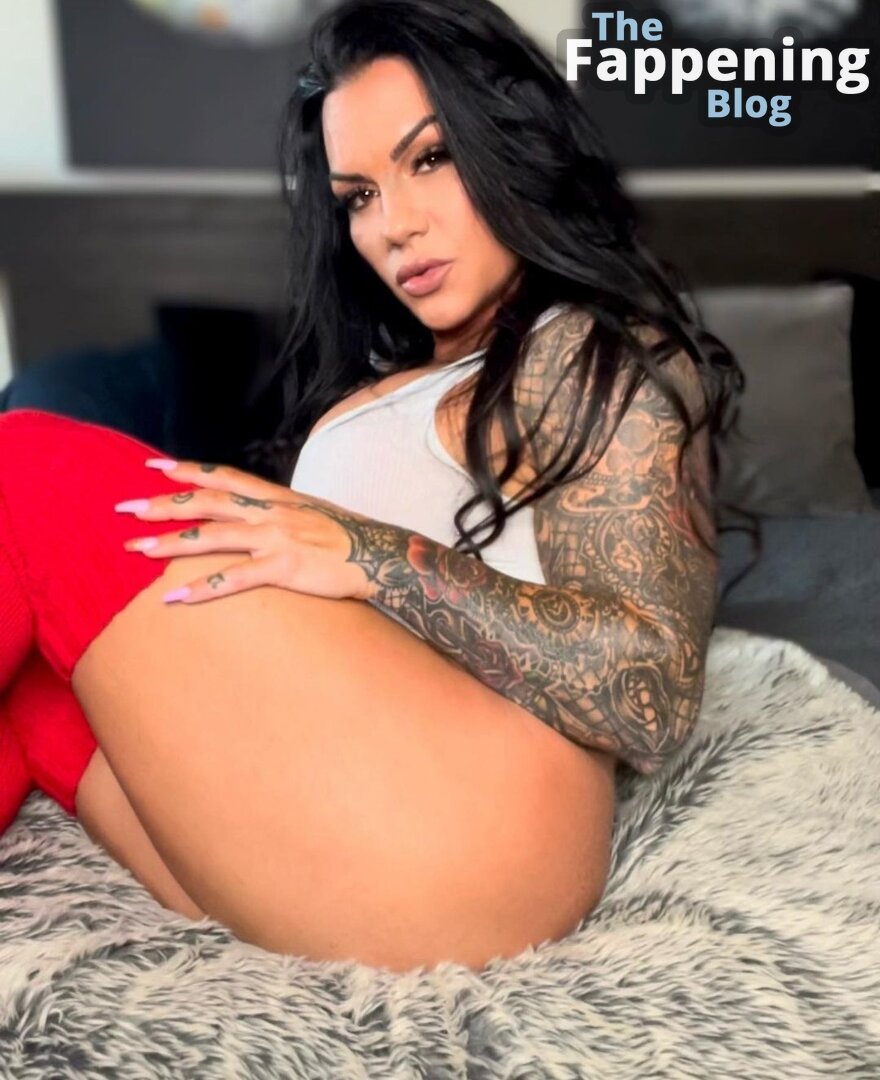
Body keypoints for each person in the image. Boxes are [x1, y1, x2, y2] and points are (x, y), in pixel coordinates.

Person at [0, 0, 747, 974]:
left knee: (23, 463)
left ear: (511, 146)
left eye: (431, 158)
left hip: (480, 835)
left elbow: (649, 692)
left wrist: (365, 552)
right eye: (357, 196)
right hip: (331, 828)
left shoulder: (583, 347)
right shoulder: (405, 373)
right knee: (35, 696)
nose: (395, 225)